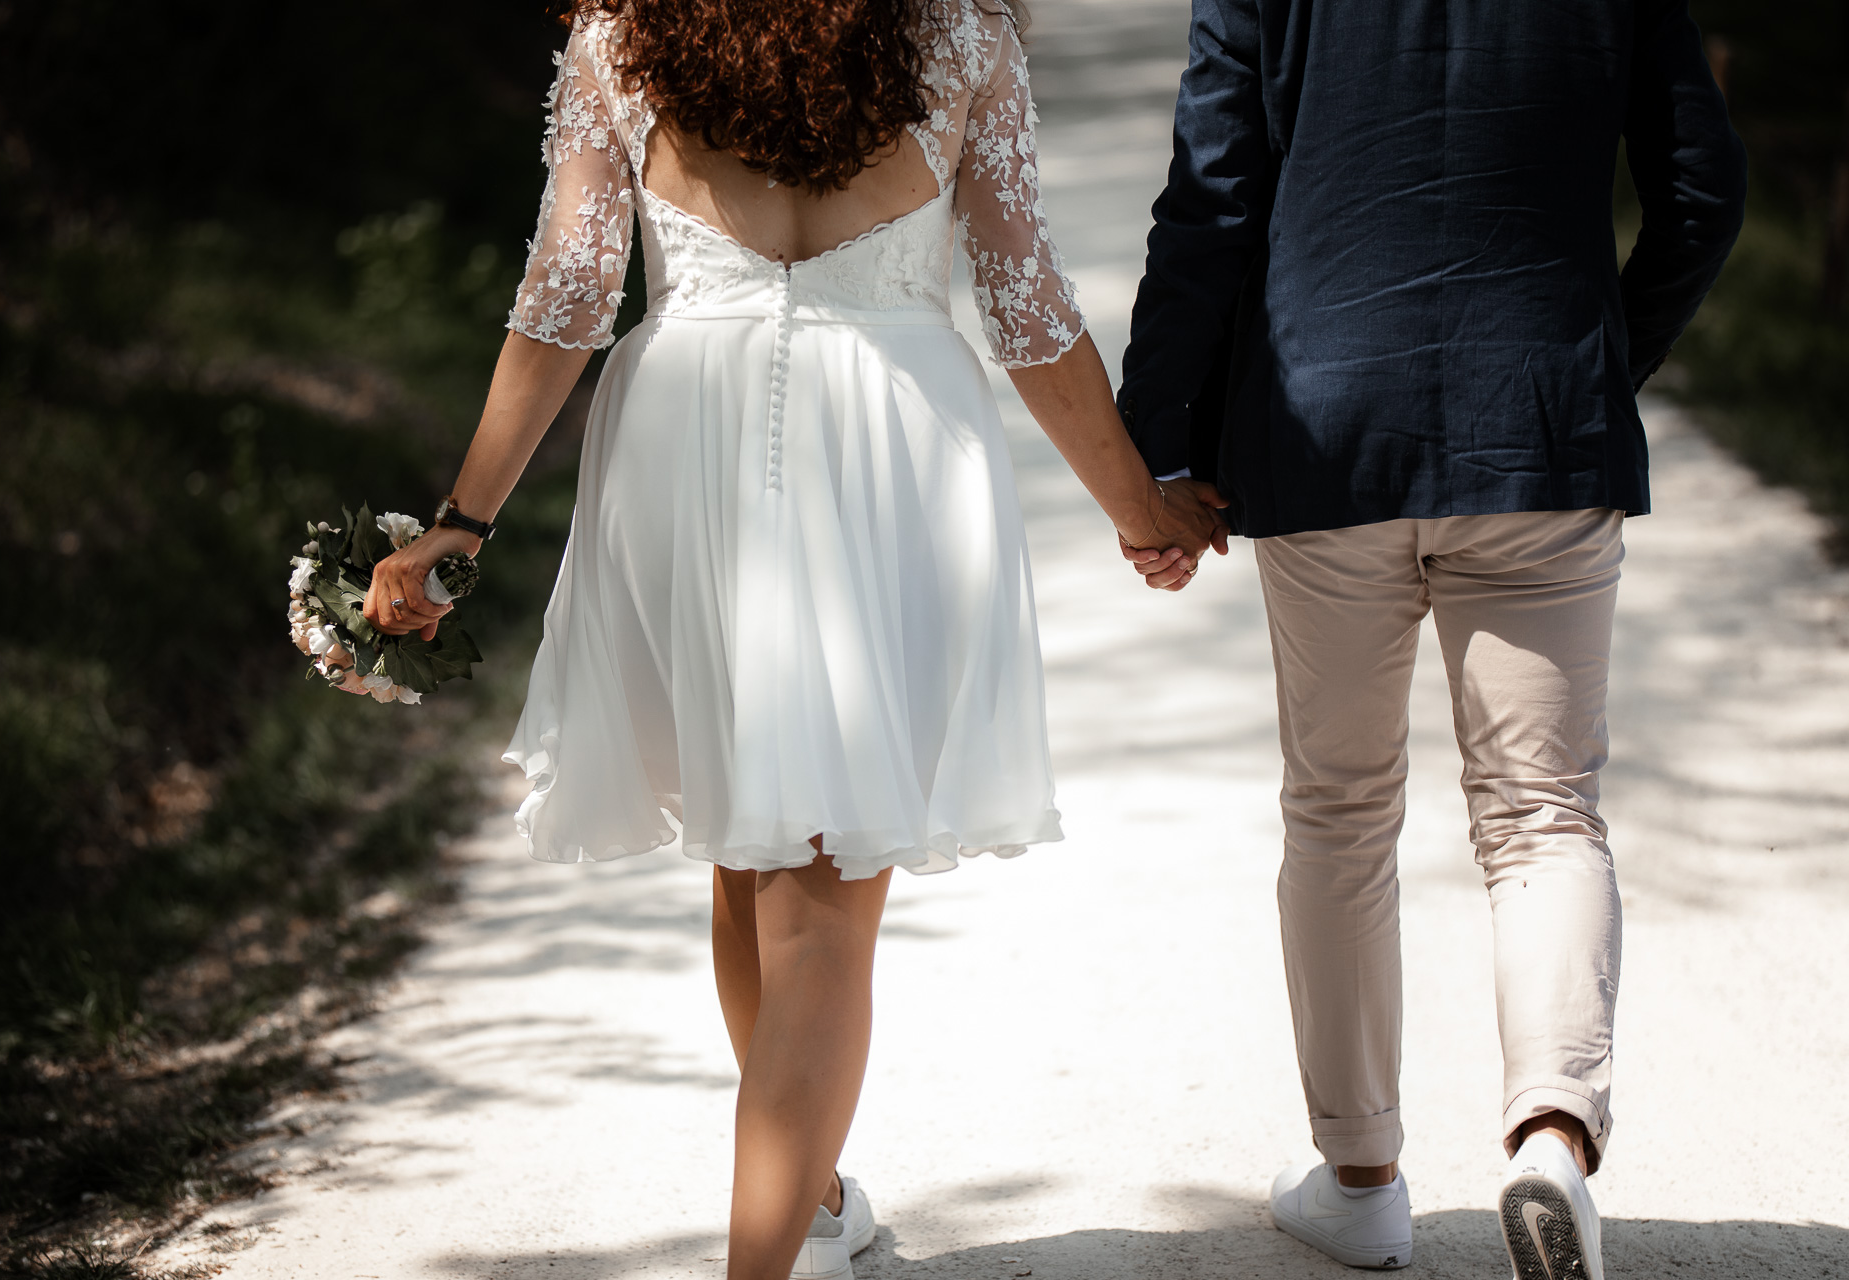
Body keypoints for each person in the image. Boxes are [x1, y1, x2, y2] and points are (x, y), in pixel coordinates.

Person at [363, 2, 1223, 1278]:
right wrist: (1137, 505)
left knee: (751, 848)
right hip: (886, 443)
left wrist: (460, 519)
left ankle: (812, 1201)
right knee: (820, 892)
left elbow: (566, 298)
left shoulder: (626, 38)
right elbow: (1027, 305)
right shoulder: (960, 38)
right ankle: (763, 1260)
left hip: (683, 443)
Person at [1116, 0, 1746, 1275]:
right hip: (1540, 425)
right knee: (1544, 807)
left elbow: (1214, 197)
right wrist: (1599, 365)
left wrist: (1157, 450)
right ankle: (1553, 1140)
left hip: (1321, 427)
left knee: (1340, 808)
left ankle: (1360, 1178)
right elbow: (1704, 192)